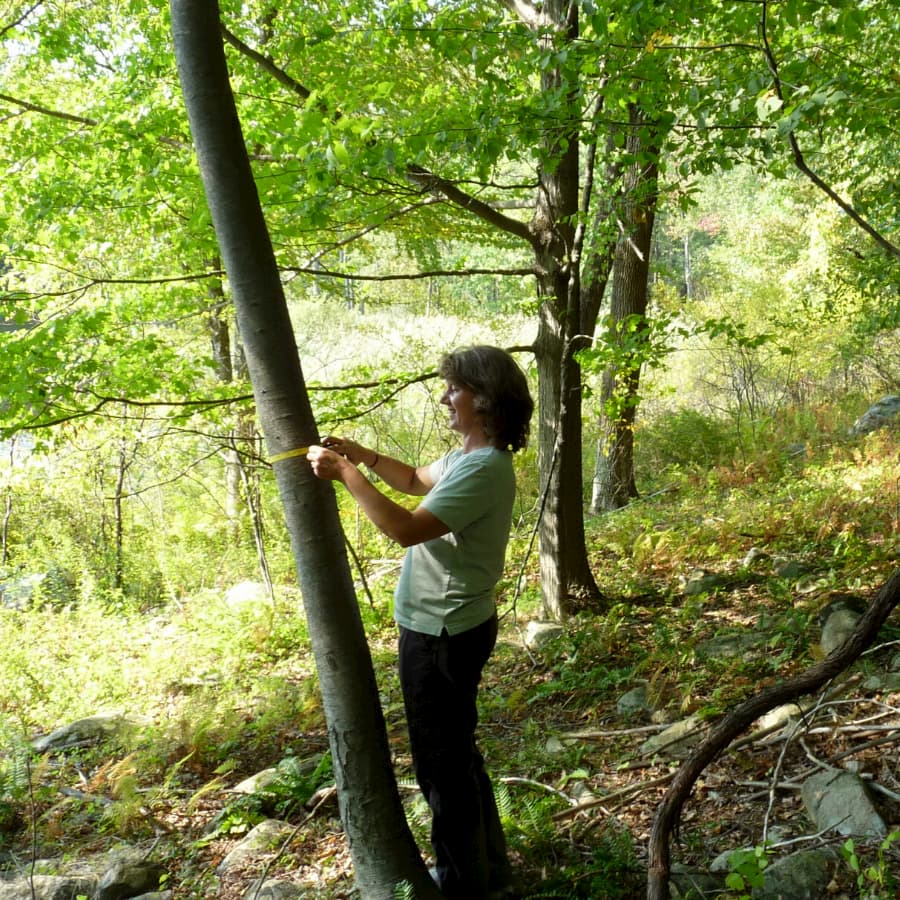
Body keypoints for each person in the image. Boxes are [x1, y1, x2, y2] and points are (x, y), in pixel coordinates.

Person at [307, 345, 533, 900]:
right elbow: (412, 478)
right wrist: (362, 455)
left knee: (441, 767)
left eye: (453, 388)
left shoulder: (483, 469)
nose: (443, 397)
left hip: (442, 636)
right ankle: (488, 868)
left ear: (482, 399)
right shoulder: (465, 459)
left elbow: (406, 528)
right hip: (448, 627)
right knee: (457, 753)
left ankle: (462, 886)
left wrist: (344, 474)